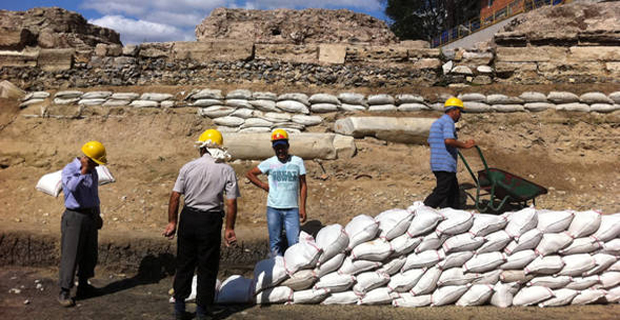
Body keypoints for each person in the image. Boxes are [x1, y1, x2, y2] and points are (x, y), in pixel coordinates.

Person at [162, 129, 239, 320]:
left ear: (202, 147)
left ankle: (179, 308)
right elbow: (231, 203)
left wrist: (172, 222)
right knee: (207, 266)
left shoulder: (188, 167)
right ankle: (202, 310)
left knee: (184, 263)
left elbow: (174, 196)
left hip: (188, 218)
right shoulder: (227, 170)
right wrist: (229, 229)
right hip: (210, 221)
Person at [58, 141, 108, 307]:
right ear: (87, 159)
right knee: (71, 255)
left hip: (90, 215)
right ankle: (64, 291)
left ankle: (84, 285)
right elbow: (72, 187)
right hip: (75, 217)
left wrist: (98, 213)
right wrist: (84, 170)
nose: (96, 166)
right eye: (95, 163)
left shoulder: (94, 171)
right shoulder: (70, 170)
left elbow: (93, 194)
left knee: (89, 253)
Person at [246, 129, 307, 256]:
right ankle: (276, 268)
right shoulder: (270, 162)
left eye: (282, 147)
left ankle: (294, 267)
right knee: (275, 241)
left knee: (294, 242)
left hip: (292, 209)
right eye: (277, 148)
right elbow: (250, 174)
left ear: (288, 147)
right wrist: (263, 185)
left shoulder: (297, 161)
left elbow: (303, 185)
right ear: (274, 149)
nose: (280, 151)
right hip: (274, 208)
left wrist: (302, 207)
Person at [424, 97, 475, 209]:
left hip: (438, 163)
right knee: (442, 192)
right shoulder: (448, 122)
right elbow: (448, 140)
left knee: (453, 193)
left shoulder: (437, 122)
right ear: (454, 110)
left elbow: (430, 141)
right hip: (444, 164)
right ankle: (423, 209)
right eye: (460, 112)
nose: (460, 115)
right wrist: (465, 145)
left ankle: (452, 213)